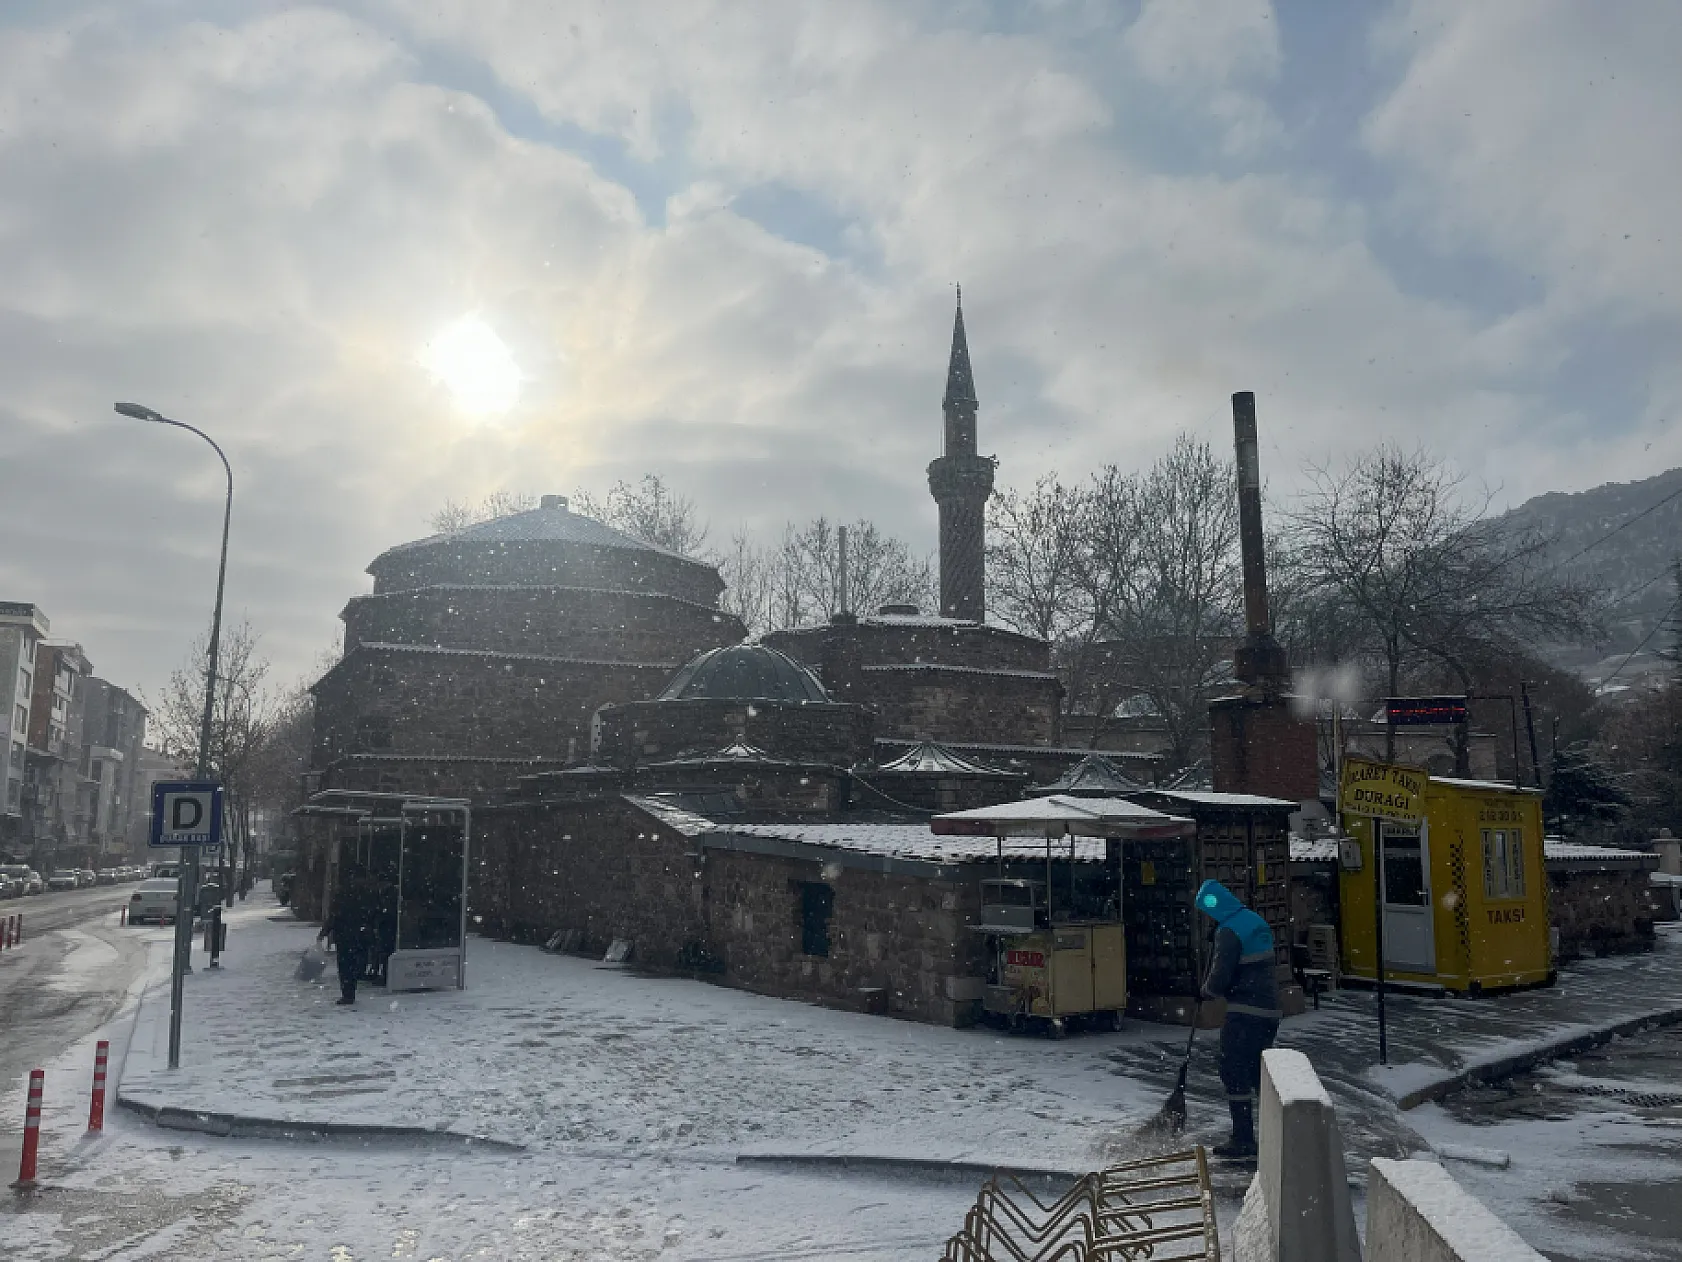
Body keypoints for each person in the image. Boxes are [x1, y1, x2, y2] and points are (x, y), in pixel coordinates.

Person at [1195, 878, 1281, 1159]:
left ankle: (1243, 1139)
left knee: (1233, 1070)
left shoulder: (1228, 930)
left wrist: (1205, 991)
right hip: (1268, 1011)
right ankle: (1276, 1134)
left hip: (1245, 1011)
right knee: (1259, 1073)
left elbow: (1220, 977)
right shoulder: (1251, 920)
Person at [318, 870, 378, 1006]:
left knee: (346, 966)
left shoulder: (342, 895)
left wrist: (324, 932)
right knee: (356, 963)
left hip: (345, 936)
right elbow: (373, 913)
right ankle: (351, 989)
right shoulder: (367, 894)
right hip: (359, 935)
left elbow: (334, 916)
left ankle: (348, 993)